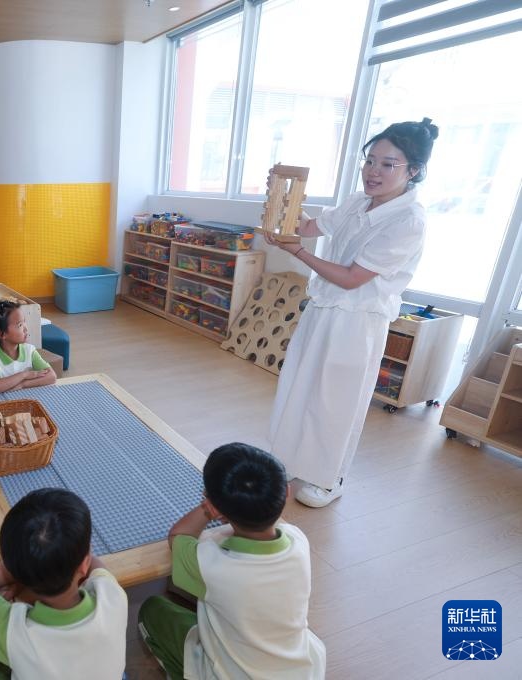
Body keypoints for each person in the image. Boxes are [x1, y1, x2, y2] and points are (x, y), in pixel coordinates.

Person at [264, 118, 440, 507]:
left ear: (413, 171)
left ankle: (330, 479)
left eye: (388, 164)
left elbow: (351, 278)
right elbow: (311, 226)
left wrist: (297, 252)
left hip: (358, 321)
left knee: (336, 401)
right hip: (323, 309)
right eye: (370, 160)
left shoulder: (409, 220)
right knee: (300, 385)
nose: (373, 171)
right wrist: (283, 200)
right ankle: (290, 461)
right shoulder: (359, 201)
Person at [138, 443, 325, 679]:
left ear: (218, 511)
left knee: (153, 609)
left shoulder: (211, 565)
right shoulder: (298, 540)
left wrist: (208, 509)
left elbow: (178, 535)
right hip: (301, 671)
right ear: (286, 493)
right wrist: (218, 505)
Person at [0, 488, 128, 680]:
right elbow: (94, 564)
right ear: (84, 563)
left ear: (14, 569)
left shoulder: (12, 630)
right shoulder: (113, 597)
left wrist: (27, 572)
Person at [0, 300, 56, 395]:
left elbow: (51, 376)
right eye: (20, 325)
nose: (26, 328)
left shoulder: (29, 350)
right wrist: (24, 375)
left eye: (24, 322)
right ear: (1, 334)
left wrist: (23, 384)